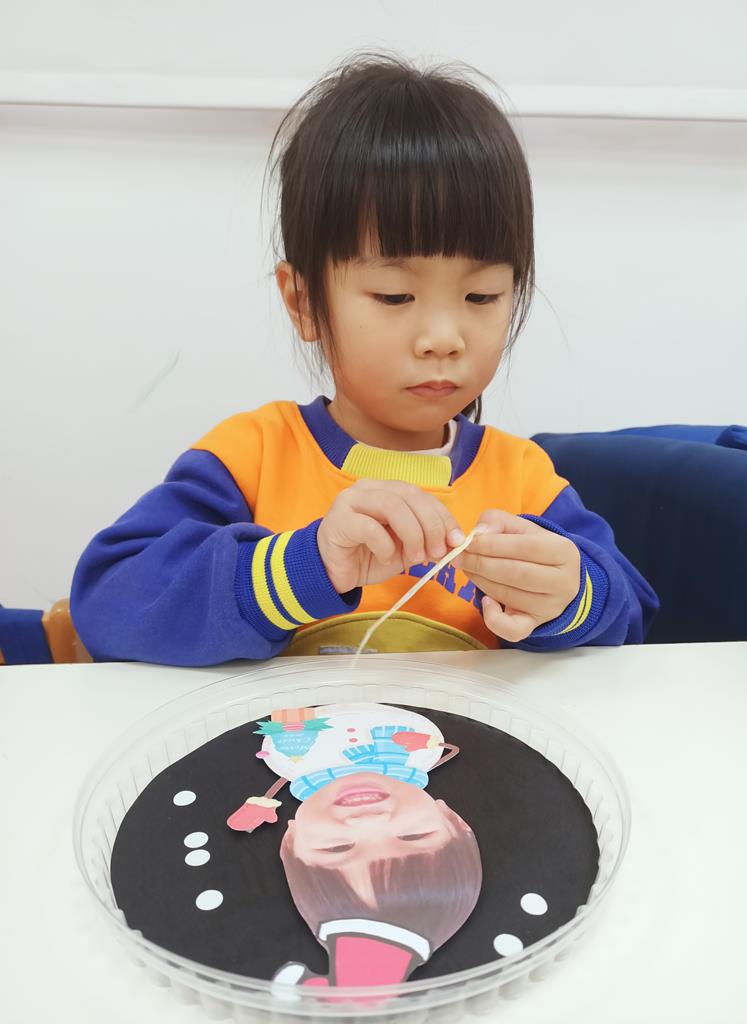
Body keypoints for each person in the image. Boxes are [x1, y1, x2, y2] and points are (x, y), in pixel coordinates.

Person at [69, 51, 659, 667]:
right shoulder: (251, 460)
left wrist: (570, 596)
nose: (443, 338)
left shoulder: (524, 482)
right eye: (395, 296)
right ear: (302, 302)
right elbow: (109, 600)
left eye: (481, 296)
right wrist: (306, 565)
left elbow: (632, 623)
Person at [226, 703, 482, 990]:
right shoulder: (420, 748)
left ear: (290, 841)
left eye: (338, 847)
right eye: (413, 836)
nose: (368, 820)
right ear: (453, 819)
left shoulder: (293, 763)